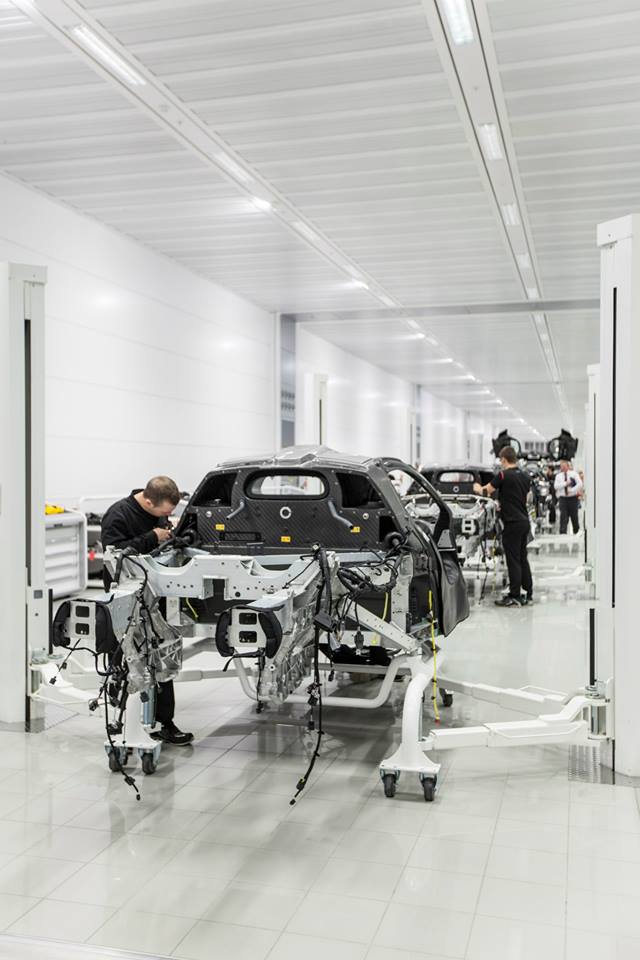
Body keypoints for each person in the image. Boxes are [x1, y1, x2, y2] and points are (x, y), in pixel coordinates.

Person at [101, 476, 194, 745]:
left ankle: (164, 722)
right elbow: (116, 554)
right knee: (127, 660)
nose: (165, 517)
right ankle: (121, 726)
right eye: (164, 512)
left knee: (161, 655)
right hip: (126, 601)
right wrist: (152, 537)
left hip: (154, 596)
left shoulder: (156, 511)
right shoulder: (117, 515)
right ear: (149, 501)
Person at [474, 446, 533, 607]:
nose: (500, 463)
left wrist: (477, 488)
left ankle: (515, 595)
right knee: (522, 558)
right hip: (523, 521)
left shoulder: (503, 475)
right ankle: (528, 593)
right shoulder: (525, 476)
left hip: (512, 523)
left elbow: (486, 491)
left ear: (504, 460)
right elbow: (520, 497)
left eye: (501, 460)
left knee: (513, 560)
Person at [555, 460, 583, 534]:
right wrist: (565, 484)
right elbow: (556, 486)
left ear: (568, 466)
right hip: (563, 499)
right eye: (562, 466)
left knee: (574, 516)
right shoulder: (558, 476)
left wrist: (572, 490)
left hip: (572, 498)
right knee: (563, 516)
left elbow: (580, 484)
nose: (563, 468)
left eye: (564, 466)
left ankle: (576, 532)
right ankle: (562, 533)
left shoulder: (573, 474)